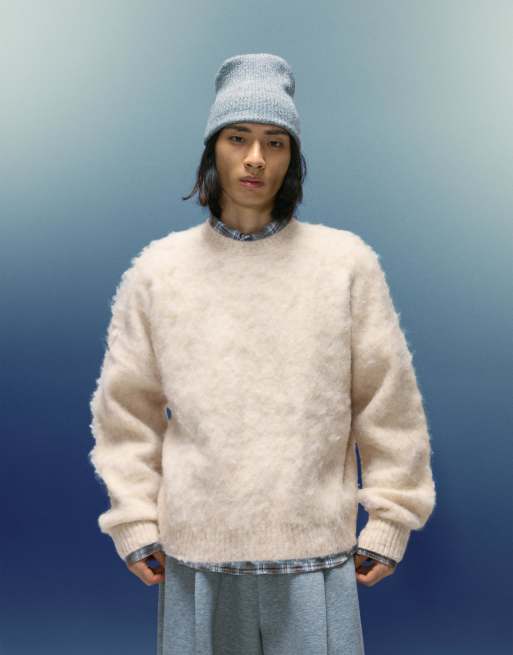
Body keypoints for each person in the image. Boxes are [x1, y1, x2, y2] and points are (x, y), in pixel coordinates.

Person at [89, 53, 437, 654]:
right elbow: (126, 412)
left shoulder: (343, 265)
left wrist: (390, 518)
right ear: (213, 150)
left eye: (275, 142)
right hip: (198, 553)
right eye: (238, 137)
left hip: (314, 554)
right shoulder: (160, 271)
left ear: (291, 158)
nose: (255, 157)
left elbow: (389, 404)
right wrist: (134, 520)